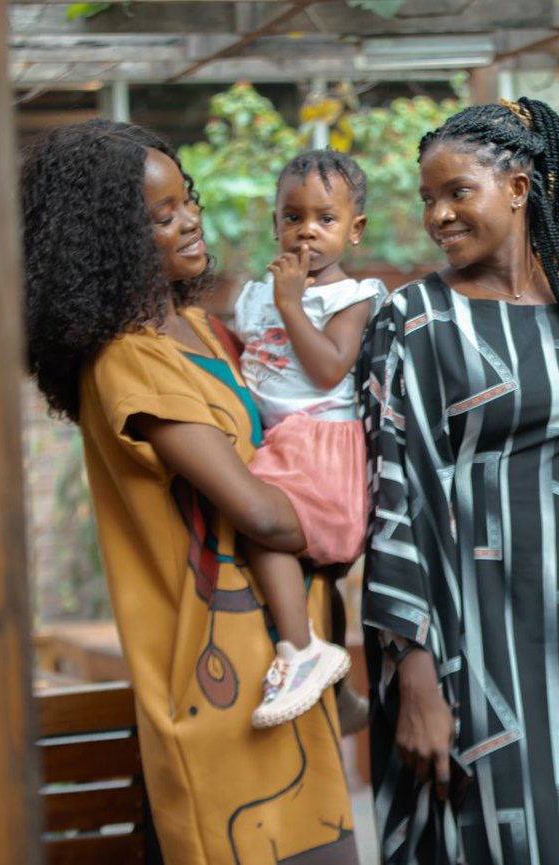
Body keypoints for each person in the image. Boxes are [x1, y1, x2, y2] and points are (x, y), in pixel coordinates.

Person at [21, 119, 359, 864]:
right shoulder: (126, 363)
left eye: (187, 200)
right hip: (221, 702)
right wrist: (346, 511)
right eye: (160, 214)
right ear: (106, 239)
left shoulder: (202, 331)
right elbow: (264, 511)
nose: (190, 221)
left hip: (286, 671)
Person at [360, 97, 559, 864]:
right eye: (427, 199)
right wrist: (413, 673)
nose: (439, 216)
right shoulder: (414, 318)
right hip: (474, 644)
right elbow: (394, 493)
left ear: (518, 188)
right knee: (498, 837)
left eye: (457, 192)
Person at [212, 149, 384, 729]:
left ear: (354, 230)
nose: (307, 229)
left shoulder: (351, 297)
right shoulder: (255, 293)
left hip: (320, 446)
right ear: (275, 223)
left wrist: (291, 304)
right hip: (277, 438)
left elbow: (331, 368)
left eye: (325, 219)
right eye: (293, 216)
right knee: (318, 577)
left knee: (259, 528)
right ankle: (339, 694)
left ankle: (301, 649)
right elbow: (248, 361)